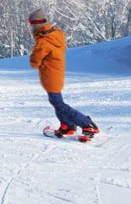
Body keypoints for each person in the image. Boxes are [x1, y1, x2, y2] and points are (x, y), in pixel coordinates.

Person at [27, 8, 98, 141]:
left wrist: (35, 54)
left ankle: (87, 124)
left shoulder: (43, 41)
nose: (30, 27)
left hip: (50, 75)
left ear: (36, 24)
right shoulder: (55, 34)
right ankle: (67, 125)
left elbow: (34, 62)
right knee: (56, 102)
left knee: (59, 103)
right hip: (56, 73)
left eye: (31, 24)